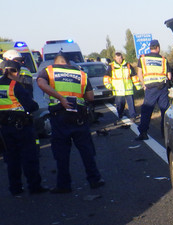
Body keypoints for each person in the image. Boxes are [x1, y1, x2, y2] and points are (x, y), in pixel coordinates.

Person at [36, 54, 104, 193]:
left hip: (60, 116)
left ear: (57, 62)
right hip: (79, 117)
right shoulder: (81, 74)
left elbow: (41, 84)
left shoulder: (49, 70)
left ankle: (64, 185)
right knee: (86, 150)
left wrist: (60, 98)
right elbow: (90, 97)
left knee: (62, 152)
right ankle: (94, 179)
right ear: (68, 62)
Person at [0, 59, 46, 196]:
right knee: (29, 157)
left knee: (11, 159)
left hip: (4, 128)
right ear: (16, 72)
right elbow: (31, 106)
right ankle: (34, 186)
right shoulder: (15, 86)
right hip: (21, 127)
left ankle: (15, 188)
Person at [136, 39, 172, 141]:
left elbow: (139, 73)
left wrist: (143, 85)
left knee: (146, 110)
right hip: (162, 88)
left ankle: (143, 133)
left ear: (150, 48)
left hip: (150, 88)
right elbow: (169, 76)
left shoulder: (143, 58)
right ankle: (165, 134)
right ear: (158, 48)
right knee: (164, 110)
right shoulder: (164, 59)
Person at [103, 52, 141, 121]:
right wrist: (108, 85)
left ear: (122, 58)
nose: (119, 60)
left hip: (128, 88)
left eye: (120, 58)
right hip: (118, 90)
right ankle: (120, 114)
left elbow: (134, 76)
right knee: (120, 104)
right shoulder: (111, 66)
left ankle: (133, 115)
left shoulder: (128, 65)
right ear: (115, 58)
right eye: (117, 58)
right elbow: (107, 77)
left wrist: (138, 85)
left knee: (131, 103)